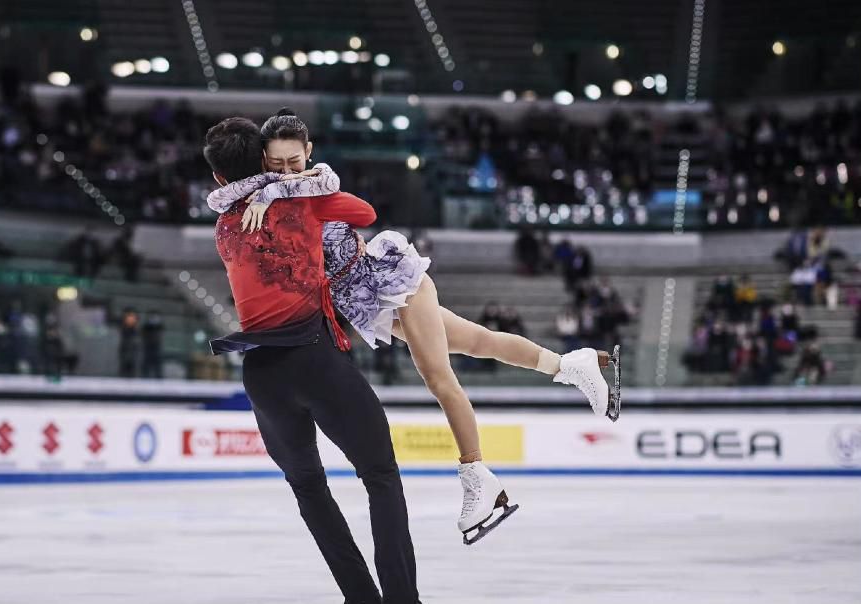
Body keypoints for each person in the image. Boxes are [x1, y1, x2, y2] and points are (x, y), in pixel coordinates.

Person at [208, 108, 621, 543]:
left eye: (296, 161)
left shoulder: (312, 190)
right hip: (368, 301)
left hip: (391, 280)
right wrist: (270, 194)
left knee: (439, 378)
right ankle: (570, 366)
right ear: (263, 163)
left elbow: (361, 210)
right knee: (479, 341)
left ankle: (479, 479)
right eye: (277, 165)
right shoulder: (269, 204)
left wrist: (283, 190)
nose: (287, 171)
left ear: (308, 153)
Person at [203, 117, 421, 604]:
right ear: (264, 161)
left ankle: (360, 598)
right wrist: (293, 182)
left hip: (261, 374)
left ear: (219, 178)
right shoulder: (302, 199)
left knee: (307, 488)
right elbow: (363, 213)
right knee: (380, 477)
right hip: (315, 362)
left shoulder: (222, 224)